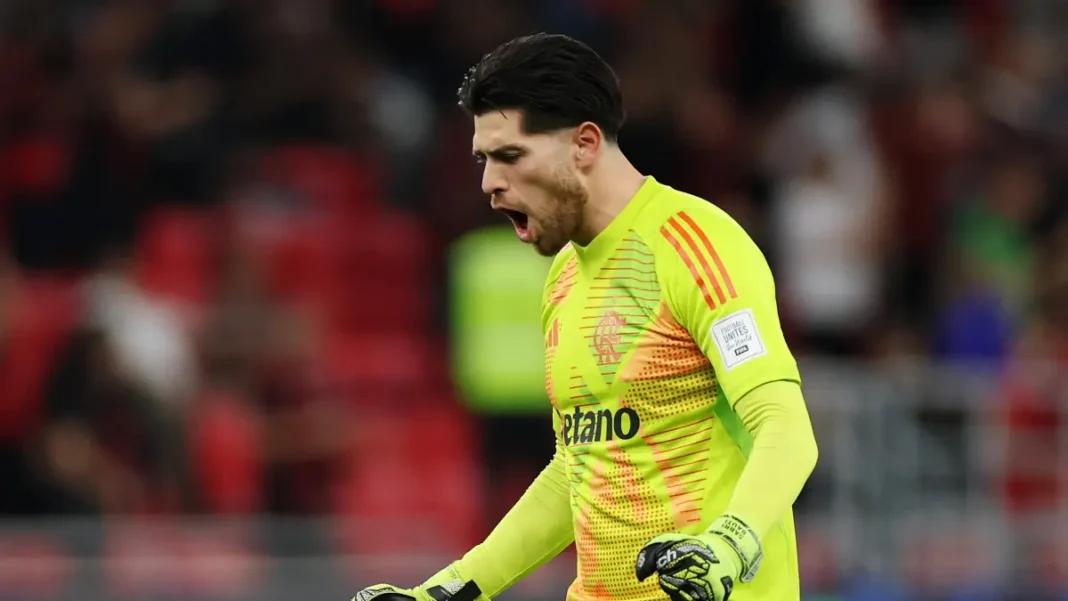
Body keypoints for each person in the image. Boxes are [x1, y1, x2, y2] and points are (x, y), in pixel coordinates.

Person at [353, 33, 819, 601]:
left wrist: (730, 545)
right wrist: (448, 590)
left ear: (584, 143)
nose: (489, 183)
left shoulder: (697, 245)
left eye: (510, 156)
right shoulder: (566, 278)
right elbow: (576, 471)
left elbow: (787, 428)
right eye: (484, 160)